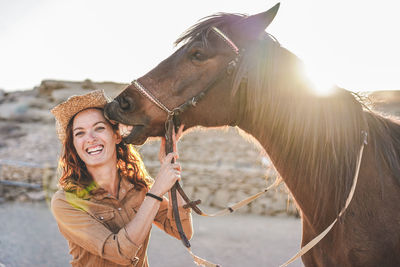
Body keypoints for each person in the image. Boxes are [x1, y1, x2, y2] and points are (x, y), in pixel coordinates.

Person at [50, 90, 192, 267]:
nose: (91, 139)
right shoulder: (66, 201)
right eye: (80, 133)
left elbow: (182, 231)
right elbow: (119, 252)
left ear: (116, 136)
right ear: (74, 146)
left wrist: (170, 168)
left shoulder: (139, 187)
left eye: (99, 128)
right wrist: (156, 192)